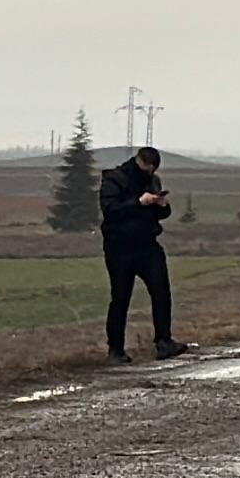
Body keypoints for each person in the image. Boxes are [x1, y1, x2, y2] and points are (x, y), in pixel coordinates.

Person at [97, 146, 188, 363]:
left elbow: (160, 214)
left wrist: (161, 206)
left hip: (148, 245)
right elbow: (110, 210)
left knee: (161, 292)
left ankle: (164, 342)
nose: (151, 173)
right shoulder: (114, 179)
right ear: (140, 162)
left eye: (154, 169)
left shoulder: (152, 180)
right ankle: (115, 350)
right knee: (120, 298)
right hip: (119, 247)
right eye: (148, 168)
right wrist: (138, 202)